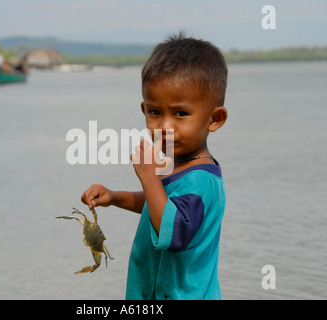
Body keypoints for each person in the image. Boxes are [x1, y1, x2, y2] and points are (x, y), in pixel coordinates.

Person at [81, 32, 229, 300]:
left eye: (181, 113)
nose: (165, 126)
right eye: (155, 112)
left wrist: (148, 177)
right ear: (144, 109)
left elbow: (173, 233)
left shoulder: (201, 180)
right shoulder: (179, 167)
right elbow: (157, 206)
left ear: (215, 119)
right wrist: (115, 197)